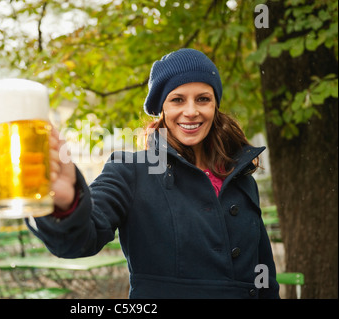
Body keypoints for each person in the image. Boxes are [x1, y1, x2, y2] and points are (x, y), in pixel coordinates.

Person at [26, 48, 280, 299]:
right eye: (177, 99)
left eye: (203, 99)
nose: (191, 111)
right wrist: (67, 203)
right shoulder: (130, 171)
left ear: (215, 106)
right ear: (162, 109)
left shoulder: (240, 178)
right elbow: (81, 240)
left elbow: (264, 276)